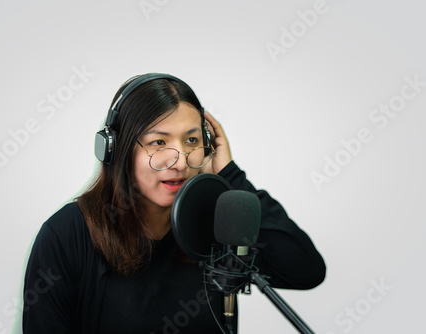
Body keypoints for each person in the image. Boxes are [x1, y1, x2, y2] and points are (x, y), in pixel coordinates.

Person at [22, 73, 326, 333]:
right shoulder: (66, 236)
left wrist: (230, 175)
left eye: (192, 141)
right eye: (159, 142)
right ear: (117, 149)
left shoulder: (216, 225)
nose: (179, 161)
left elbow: (306, 270)